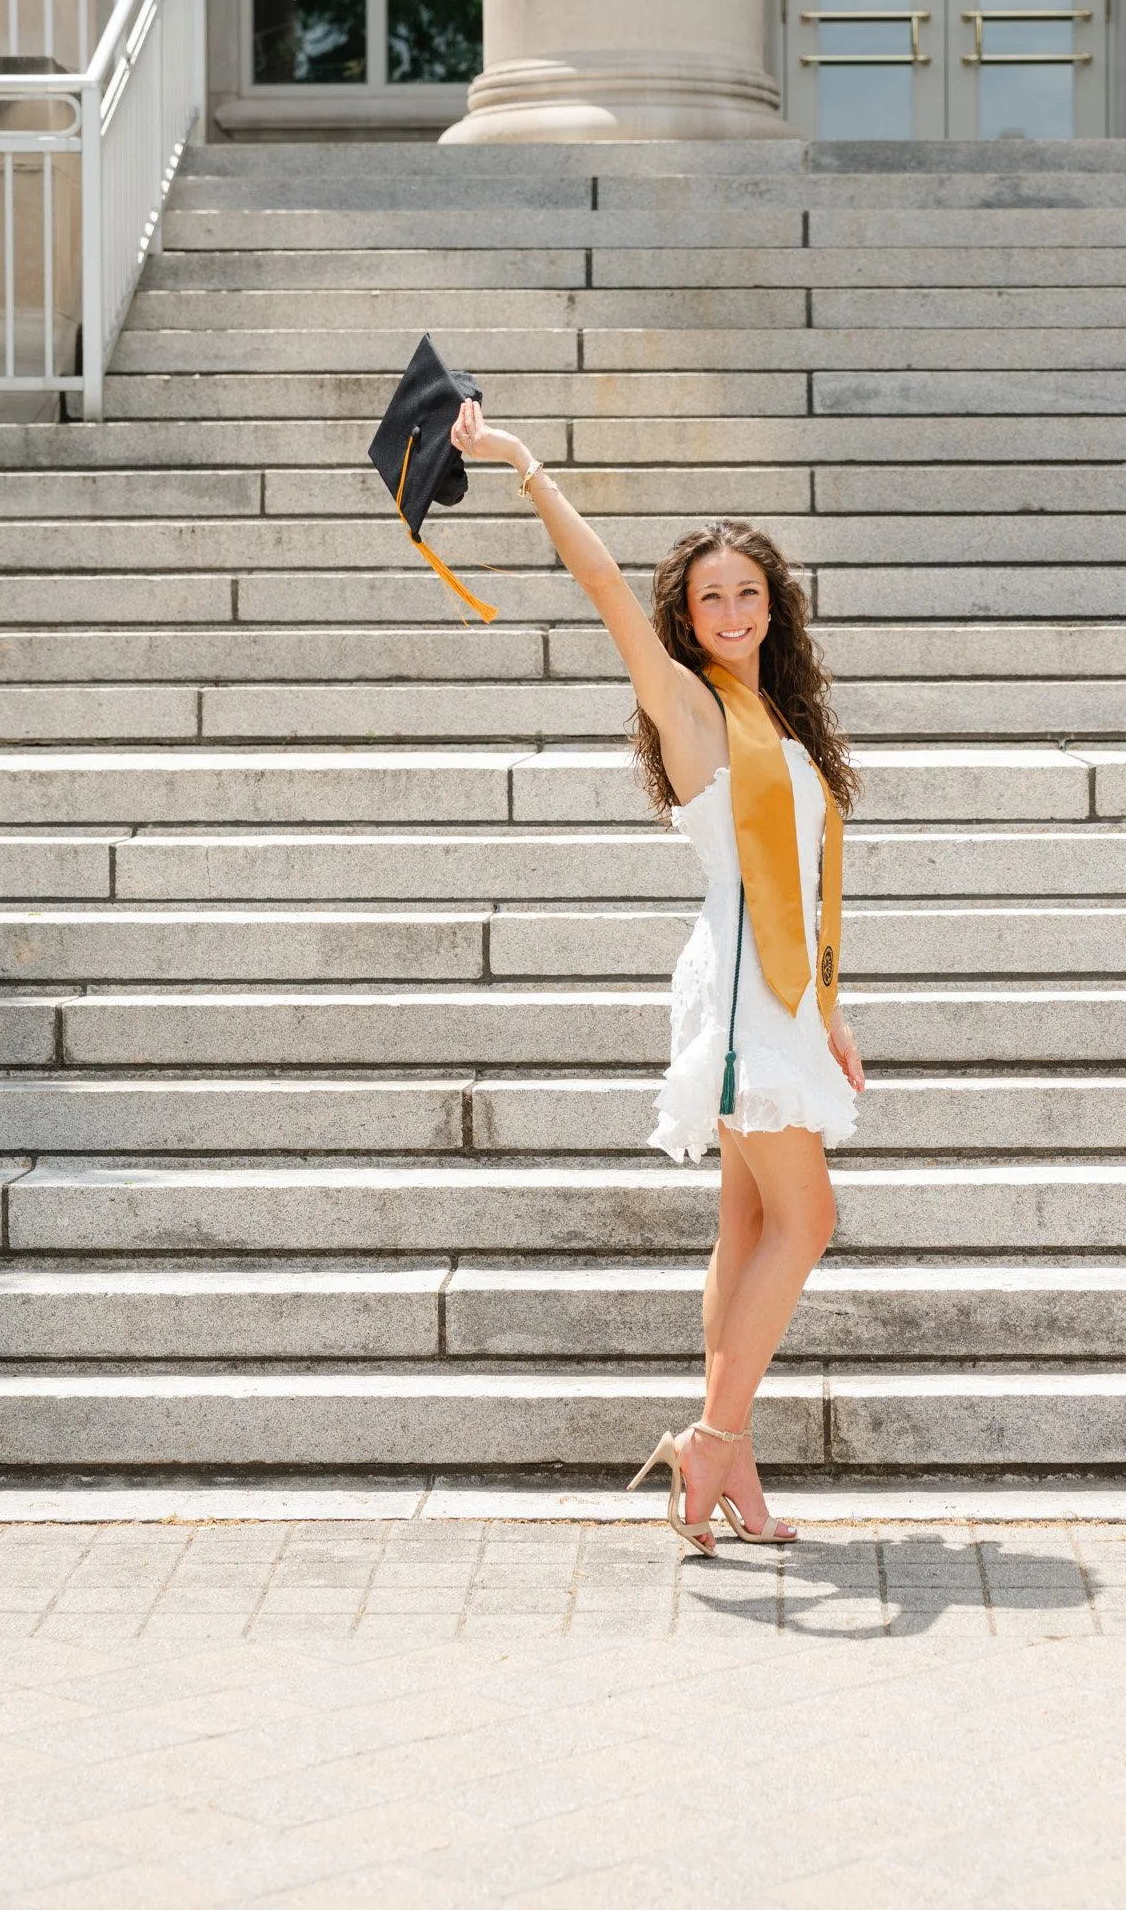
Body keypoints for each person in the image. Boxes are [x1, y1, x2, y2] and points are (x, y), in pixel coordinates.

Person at [451, 398, 864, 1554]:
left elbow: (807, 875)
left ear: (772, 607)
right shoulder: (687, 705)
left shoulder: (775, 715)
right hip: (736, 992)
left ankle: (721, 1463)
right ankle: (713, 1442)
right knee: (809, 1214)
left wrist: (830, 1010)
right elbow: (597, 587)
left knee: (747, 1219)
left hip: (770, 988)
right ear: (682, 618)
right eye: (708, 598)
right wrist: (525, 468)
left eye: (747, 593)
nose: (730, 612)